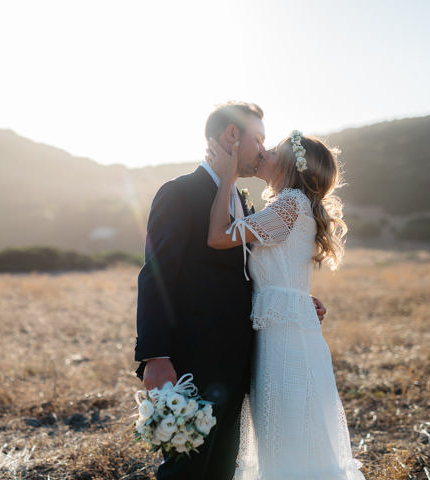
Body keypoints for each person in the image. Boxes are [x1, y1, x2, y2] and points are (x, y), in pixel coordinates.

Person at [134, 102, 326, 480]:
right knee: (186, 467)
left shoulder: (246, 201)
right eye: (258, 139)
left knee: (224, 466)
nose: (262, 151)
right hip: (194, 356)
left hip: (244, 360)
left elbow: (259, 271)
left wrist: (298, 300)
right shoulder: (181, 193)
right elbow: (155, 275)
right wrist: (155, 355)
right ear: (231, 137)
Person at [206, 131, 365, 479]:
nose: (263, 153)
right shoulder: (292, 204)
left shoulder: (291, 203)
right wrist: (300, 298)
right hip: (282, 332)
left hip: (286, 342)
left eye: (274, 150)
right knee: (286, 434)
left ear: (291, 165)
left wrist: (228, 177)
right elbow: (284, 273)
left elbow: (218, 237)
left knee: (290, 435)